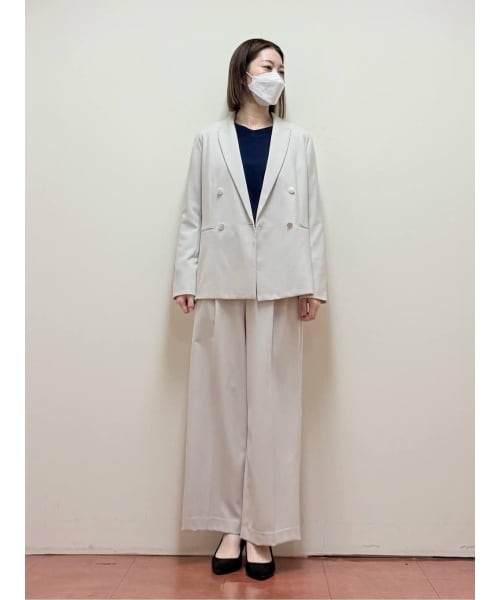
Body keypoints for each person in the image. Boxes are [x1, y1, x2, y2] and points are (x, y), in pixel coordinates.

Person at [172, 38, 328, 580]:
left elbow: (312, 216)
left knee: (273, 409)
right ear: (243, 73)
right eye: (267, 66)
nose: (276, 76)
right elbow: (192, 213)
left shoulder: (299, 141)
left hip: (282, 283)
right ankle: (228, 526)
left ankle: (263, 531)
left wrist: (314, 284)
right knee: (219, 406)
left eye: (281, 68)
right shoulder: (208, 140)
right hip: (220, 279)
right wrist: (185, 277)